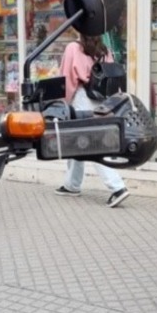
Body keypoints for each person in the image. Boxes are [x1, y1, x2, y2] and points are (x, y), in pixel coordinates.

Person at [54, 34, 130, 208]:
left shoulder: (73, 48)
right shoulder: (104, 50)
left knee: (91, 143)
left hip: (81, 98)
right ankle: (72, 184)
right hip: (101, 99)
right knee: (76, 142)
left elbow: (67, 79)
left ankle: (118, 187)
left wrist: (62, 104)